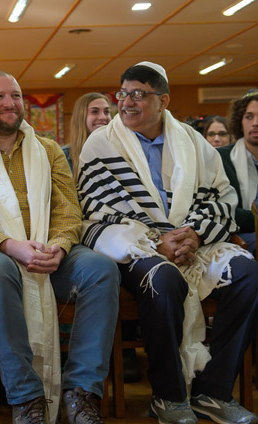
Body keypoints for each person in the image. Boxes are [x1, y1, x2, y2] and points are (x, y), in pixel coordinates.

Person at [77, 61, 258, 424]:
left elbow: (221, 196)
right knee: (163, 278)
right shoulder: (102, 142)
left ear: (163, 100)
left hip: (194, 239)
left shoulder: (193, 141)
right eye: (123, 93)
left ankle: (214, 391)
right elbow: (96, 207)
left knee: (248, 273)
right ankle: (168, 397)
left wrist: (195, 234)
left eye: (138, 94)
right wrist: (157, 241)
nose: (126, 102)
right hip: (134, 245)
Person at [0, 71, 119, 424]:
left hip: (49, 249)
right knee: (0, 270)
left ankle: (81, 393)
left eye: (16, 96)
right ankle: (26, 398)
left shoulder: (49, 150)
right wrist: (9, 245)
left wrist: (61, 247)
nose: (10, 104)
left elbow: (69, 209)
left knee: (101, 269)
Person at [218, 92, 258, 254]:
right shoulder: (222, 157)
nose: (256, 123)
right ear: (240, 122)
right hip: (241, 233)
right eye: (249, 117)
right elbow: (225, 209)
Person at [66, 93, 111, 178]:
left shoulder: (119, 151)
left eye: (106, 112)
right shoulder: (64, 156)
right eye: (94, 112)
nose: (103, 117)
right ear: (80, 117)